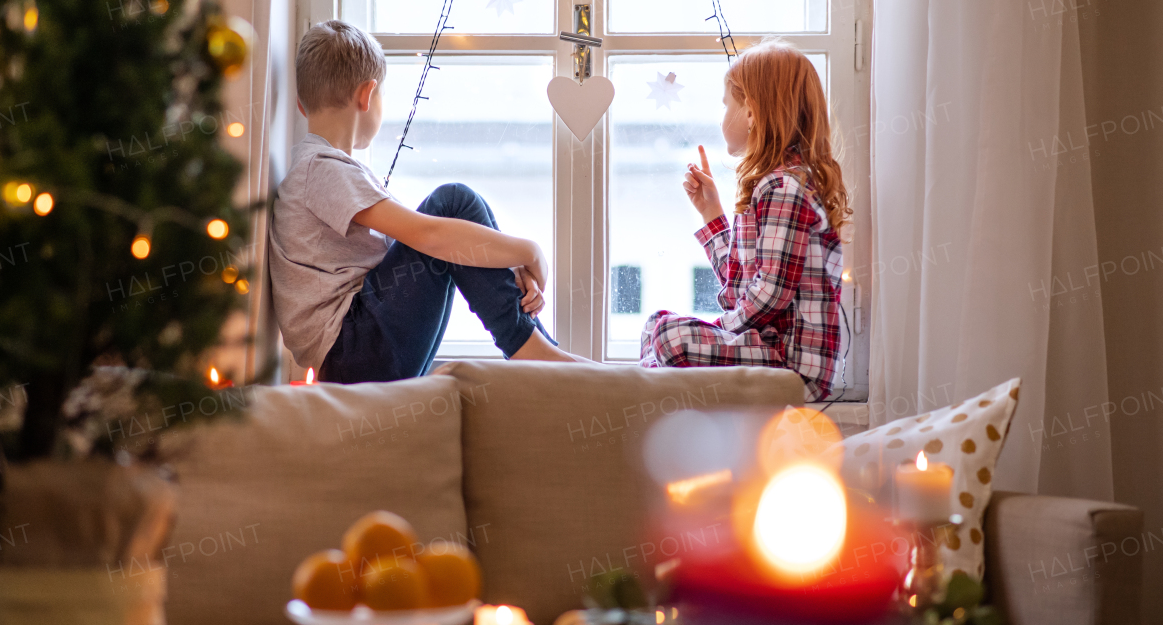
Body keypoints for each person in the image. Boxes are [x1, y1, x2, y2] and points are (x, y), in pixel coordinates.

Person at [270, 20, 587, 383]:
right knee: (453, 202)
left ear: (300, 104)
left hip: (358, 351)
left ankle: (537, 346)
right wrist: (528, 251)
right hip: (353, 350)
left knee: (456, 224)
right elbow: (428, 235)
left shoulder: (320, 170)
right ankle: (532, 349)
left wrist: (502, 263)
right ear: (367, 94)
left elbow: (441, 243)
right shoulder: (322, 169)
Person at [639, 39, 850, 401]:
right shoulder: (771, 185)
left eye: (727, 105)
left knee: (667, 336)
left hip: (792, 367)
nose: (722, 116)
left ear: (751, 112)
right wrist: (711, 212)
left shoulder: (784, 187)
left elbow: (769, 295)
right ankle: (653, 411)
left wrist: (720, 327)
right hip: (769, 349)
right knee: (655, 326)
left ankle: (650, 415)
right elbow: (741, 285)